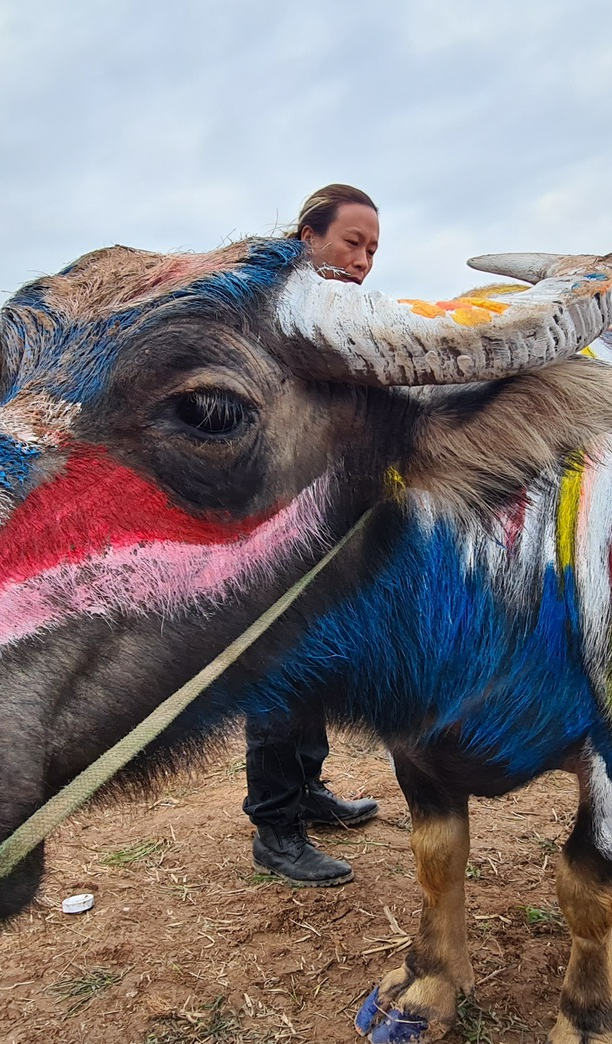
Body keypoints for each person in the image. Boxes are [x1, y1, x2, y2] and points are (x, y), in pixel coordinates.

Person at [245, 184, 383, 887]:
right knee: (279, 676)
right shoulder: (260, 313)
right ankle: (276, 828)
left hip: (328, 525)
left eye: (373, 250)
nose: (362, 260)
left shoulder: (348, 319)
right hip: (270, 527)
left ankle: (308, 793)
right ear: (307, 235)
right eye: (351, 242)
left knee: (315, 673)